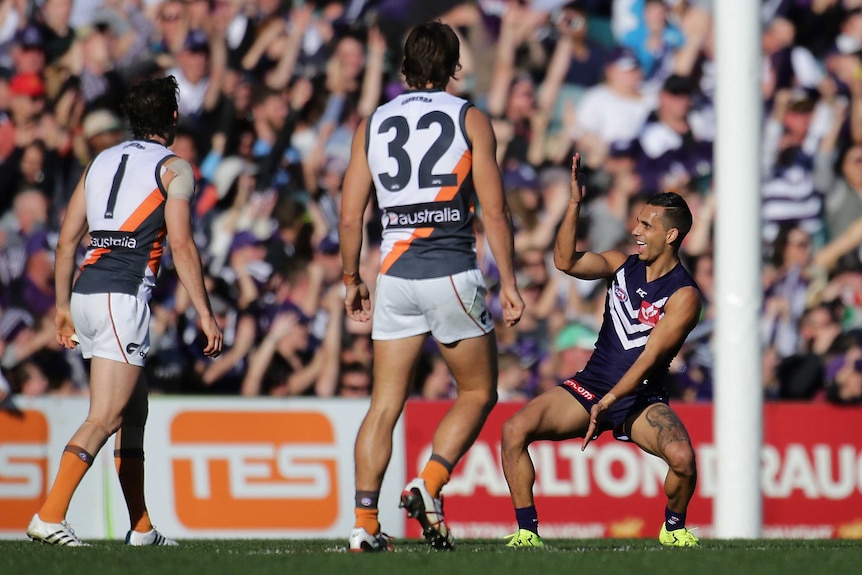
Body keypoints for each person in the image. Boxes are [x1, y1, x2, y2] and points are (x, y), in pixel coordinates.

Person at [339, 21, 525, 552]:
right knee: (477, 392)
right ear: (454, 70)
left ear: (403, 69)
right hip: (449, 270)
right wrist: (508, 282)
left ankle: (364, 524)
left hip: (394, 274)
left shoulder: (372, 122)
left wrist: (351, 278)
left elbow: (352, 216)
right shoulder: (469, 118)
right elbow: (494, 209)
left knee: (383, 405)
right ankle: (430, 482)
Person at [26, 76, 223, 547]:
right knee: (105, 416)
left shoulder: (100, 161)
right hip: (122, 296)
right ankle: (49, 516)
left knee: (134, 412)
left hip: (86, 292)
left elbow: (68, 239)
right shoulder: (175, 168)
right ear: (172, 119)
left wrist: (60, 307)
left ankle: (140, 529)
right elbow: (180, 242)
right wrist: (206, 313)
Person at [500, 154, 702, 549]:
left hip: (639, 399)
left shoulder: (685, 295)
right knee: (514, 430)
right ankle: (527, 533)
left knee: (682, 458)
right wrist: (574, 204)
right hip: (591, 386)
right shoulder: (620, 266)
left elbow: (648, 358)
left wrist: (609, 402)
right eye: (637, 221)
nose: (635, 229)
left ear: (671, 236)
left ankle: (673, 528)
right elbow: (564, 262)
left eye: (647, 224)